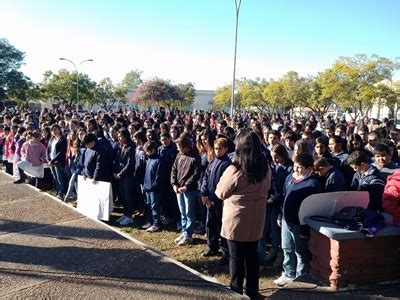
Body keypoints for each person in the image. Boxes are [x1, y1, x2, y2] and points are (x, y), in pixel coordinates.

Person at [215, 131, 271, 299]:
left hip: (237, 219)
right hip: (256, 217)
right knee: (252, 255)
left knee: (236, 257)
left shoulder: (236, 169)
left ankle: (236, 289)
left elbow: (220, 192)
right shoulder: (265, 167)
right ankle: (253, 290)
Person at [274, 153, 321, 287]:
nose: (297, 170)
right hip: (285, 220)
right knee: (286, 248)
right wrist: (280, 215)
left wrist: (305, 229)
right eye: (295, 166)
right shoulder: (290, 177)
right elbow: (284, 198)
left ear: (308, 169)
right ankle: (289, 274)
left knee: (300, 251)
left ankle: (301, 278)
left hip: (299, 223)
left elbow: (313, 208)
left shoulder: (313, 184)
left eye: (300, 168)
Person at [258, 144, 293, 270]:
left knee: (275, 228)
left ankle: (276, 250)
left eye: (277, 157)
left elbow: (284, 188)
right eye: (273, 157)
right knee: (265, 228)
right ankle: (269, 252)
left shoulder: (289, 169)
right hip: (269, 202)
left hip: (279, 203)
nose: (275, 160)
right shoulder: (271, 167)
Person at [200, 137, 231, 264]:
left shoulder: (227, 164)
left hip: (219, 200)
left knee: (221, 225)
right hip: (209, 199)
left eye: (220, 149)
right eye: (216, 148)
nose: (217, 151)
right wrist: (204, 193)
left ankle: (225, 251)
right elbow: (206, 177)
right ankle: (212, 246)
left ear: (226, 149)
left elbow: (224, 184)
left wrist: (213, 197)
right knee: (210, 223)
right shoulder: (212, 161)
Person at [171, 134, 201, 246]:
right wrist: (174, 184)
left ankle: (189, 235)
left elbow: (196, 174)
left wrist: (186, 186)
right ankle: (184, 232)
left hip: (189, 190)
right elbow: (174, 169)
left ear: (186, 147)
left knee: (189, 212)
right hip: (178, 188)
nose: (178, 149)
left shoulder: (195, 157)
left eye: (180, 146)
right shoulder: (179, 155)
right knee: (182, 212)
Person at [113, 128, 136, 226]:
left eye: (120, 136)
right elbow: (117, 160)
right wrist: (115, 172)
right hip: (119, 175)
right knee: (123, 196)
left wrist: (121, 173)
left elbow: (130, 164)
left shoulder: (131, 148)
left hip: (127, 176)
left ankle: (129, 216)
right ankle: (125, 213)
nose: (119, 138)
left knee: (128, 196)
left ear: (125, 137)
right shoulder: (120, 146)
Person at [142, 140, 165, 232]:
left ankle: (156, 223)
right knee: (148, 205)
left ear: (153, 150)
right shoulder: (149, 159)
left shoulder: (159, 160)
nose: (147, 153)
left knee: (154, 206)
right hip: (147, 186)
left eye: (148, 151)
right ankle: (150, 221)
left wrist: (154, 186)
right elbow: (147, 173)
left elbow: (159, 176)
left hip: (154, 188)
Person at [47, 124, 68, 200]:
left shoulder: (62, 139)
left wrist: (52, 161)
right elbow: (48, 150)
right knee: (55, 177)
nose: (54, 131)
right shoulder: (51, 139)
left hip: (58, 162)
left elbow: (61, 152)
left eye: (55, 129)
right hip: (51, 161)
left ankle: (61, 192)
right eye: (52, 130)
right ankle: (57, 190)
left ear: (59, 129)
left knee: (60, 178)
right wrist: (49, 159)